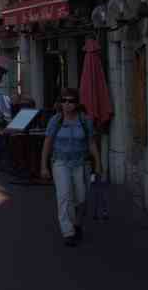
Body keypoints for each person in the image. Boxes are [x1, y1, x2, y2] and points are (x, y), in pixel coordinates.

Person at [40, 88, 101, 246]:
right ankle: (68, 231)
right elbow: (47, 143)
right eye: (64, 101)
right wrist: (44, 167)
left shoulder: (84, 120)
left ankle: (76, 223)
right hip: (60, 162)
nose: (67, 104)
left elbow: (91, 142)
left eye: (71, 101)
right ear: (60, 103)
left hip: (81, 163)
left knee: (82, 198)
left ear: (77, 103)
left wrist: (98, 164)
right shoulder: (56, 120)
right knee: (64, 196)